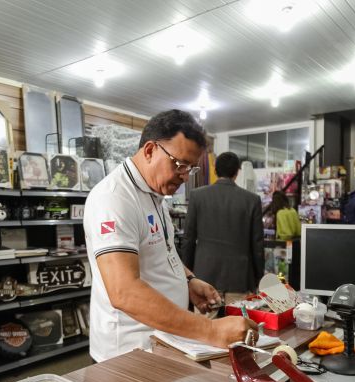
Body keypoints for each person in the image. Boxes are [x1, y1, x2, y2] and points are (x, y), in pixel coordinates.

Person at [83, 109, 256, 363]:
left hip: (162, 342)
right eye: (180, 164)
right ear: (151, 150)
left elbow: (162, 252)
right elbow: (123, 291)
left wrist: (188, 280)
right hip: (128, 353)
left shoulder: (155, 195)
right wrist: (211, 329)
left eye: (191, 168)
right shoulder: (114, 198)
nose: (185, 177)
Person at [182, 152, 264, 304]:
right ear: (237, 172)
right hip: (239, 278)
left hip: (204, 276)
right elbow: (257, 245)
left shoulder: (197, 196)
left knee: (205, 326)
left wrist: (188, 276)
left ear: (215, 171)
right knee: (236, 325)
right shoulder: (251, 200)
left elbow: (188, 239)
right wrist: (259, 277)